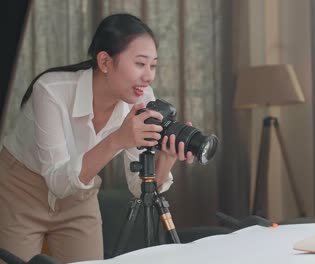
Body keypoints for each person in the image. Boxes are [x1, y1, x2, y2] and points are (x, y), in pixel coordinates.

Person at [0, 13, 193, 263]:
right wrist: (117, 139)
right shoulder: (51, 90)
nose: (149, 77)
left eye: (153, 65)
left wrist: (166, 158)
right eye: (140, 64)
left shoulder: (143, 98)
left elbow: (139, 187)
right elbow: (57, 181)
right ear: (104, 61)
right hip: (21, 191)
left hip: (81, 195)